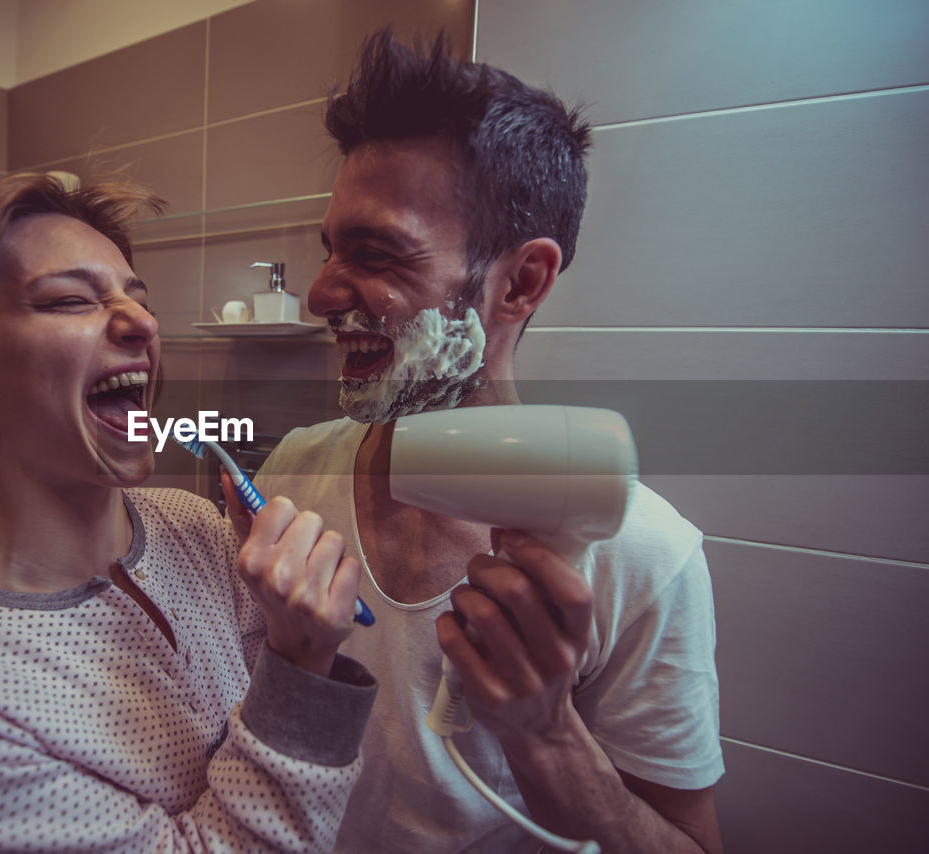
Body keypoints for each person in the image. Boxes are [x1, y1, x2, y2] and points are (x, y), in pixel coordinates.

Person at [0, 172, 376, 852]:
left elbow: (263, 739)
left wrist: (294, 648)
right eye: (70, 301)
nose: (143, 324)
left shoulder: (195, 527)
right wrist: (304, 657)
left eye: (139, 301)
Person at [246, 32, 724, 852]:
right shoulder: (294, 471)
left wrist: (545, 737)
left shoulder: (642, 555)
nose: (323, 293)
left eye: (377, 252)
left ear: (523, 282)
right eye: (329, 249)